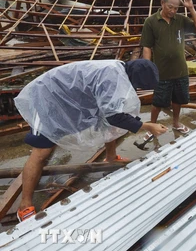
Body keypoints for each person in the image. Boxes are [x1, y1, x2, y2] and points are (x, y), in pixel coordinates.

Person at [14, 59, 168, 222]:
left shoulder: (120, 70)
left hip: (70, 95)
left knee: (107, 124)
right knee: (41, 151)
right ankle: (24, 206)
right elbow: (114, 116)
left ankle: (110, 157)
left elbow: (110, 114)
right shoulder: (112, 76)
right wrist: (147, 126)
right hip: (46, 97)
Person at [140, 0, 196, 134]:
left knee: (177, 100)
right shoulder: (151, 22)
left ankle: (176, 123)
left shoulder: (180, 20)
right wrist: (147, 68)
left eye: (176, 8)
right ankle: (152, 128)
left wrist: (191, 8)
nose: (173, 11)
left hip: (180, 70)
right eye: (170, 7)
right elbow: (147, 47)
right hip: (161, 72)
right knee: (157, 102)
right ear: (162, 3)